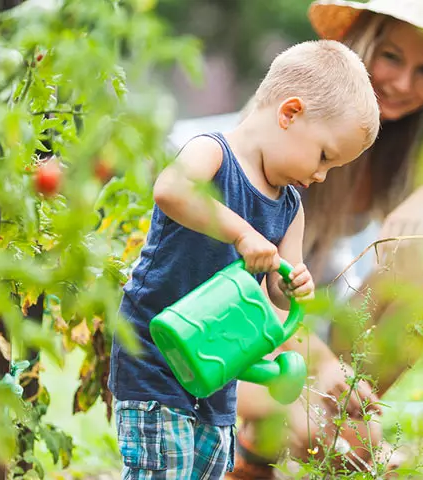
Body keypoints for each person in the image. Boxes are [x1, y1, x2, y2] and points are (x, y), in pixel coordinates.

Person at [231, 0, 423, 478]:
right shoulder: (297, 119)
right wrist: (320, 363)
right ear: (361, 46)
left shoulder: (421, 141)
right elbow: (253, 281)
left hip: (325, 316)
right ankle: (259, 443)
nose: (404, 83)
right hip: (262, 318)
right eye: (390, 57)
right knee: (327, 438)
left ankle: (340, 414)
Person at [107, 39, 381, 479]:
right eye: (324, 156)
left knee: (208, 464)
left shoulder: (290, 208)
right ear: (289, 114)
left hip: (218, 366)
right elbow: (171, 190)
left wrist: (293, 287)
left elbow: (276, 289)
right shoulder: (211, 154)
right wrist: (242, 233)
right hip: (156, 352)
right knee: (163, 466)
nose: (321, 175)